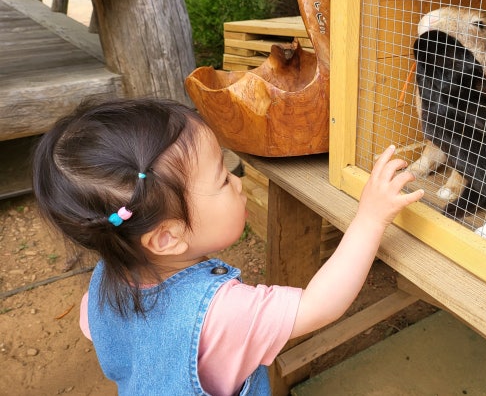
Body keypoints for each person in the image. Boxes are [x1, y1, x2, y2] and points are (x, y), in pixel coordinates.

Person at [32, 98, 424, 395]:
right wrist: (371, 217)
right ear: (167, 237)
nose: (238, 182)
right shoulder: (223, 314)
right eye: (223, 179)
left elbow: (96, 331)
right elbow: (319, 306)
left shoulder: (104, 280)